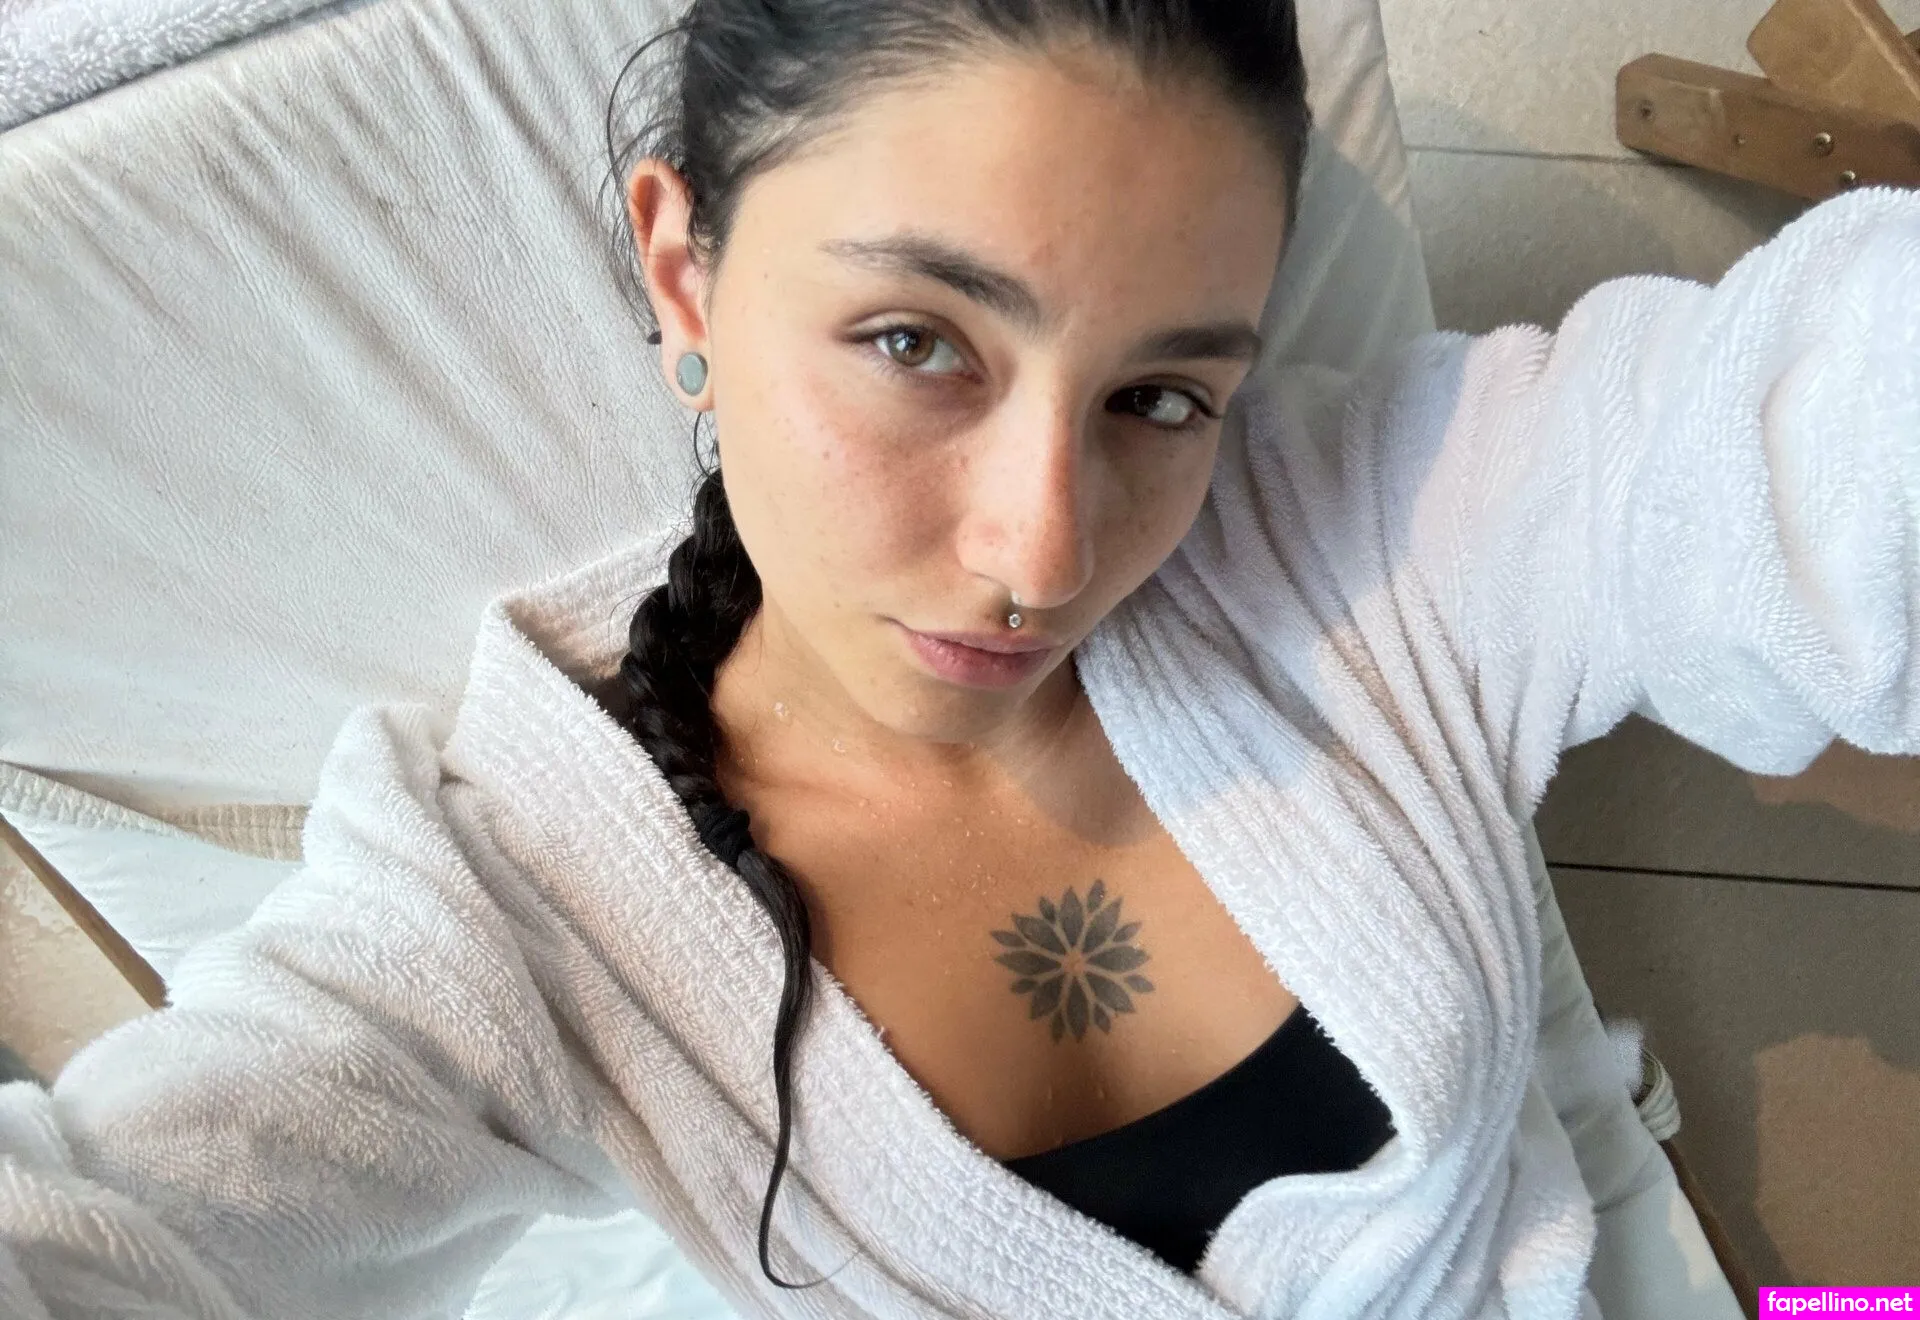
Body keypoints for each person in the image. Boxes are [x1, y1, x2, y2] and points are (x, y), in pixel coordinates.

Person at [2, 0, 1915, 1315]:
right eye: (918, 343)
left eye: (1161, 395)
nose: (1045, 553)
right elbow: (132, 1229)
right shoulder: (515, 901)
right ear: (682, 269)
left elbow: (1803, 427)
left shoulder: (1371, 528)